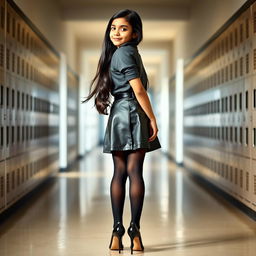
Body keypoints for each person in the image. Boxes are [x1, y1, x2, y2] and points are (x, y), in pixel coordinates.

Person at [81, 9, 161, 254]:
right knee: (135, 173)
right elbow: (138, 90)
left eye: (122, 28)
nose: (116, 32)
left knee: (119, 173)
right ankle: (134, 230)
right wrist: (152, 117)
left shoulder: (119, 53)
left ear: (135, 32)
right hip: (134, 113)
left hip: (119, 114)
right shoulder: (127, 53)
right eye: (113, 28)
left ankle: (116, 231)